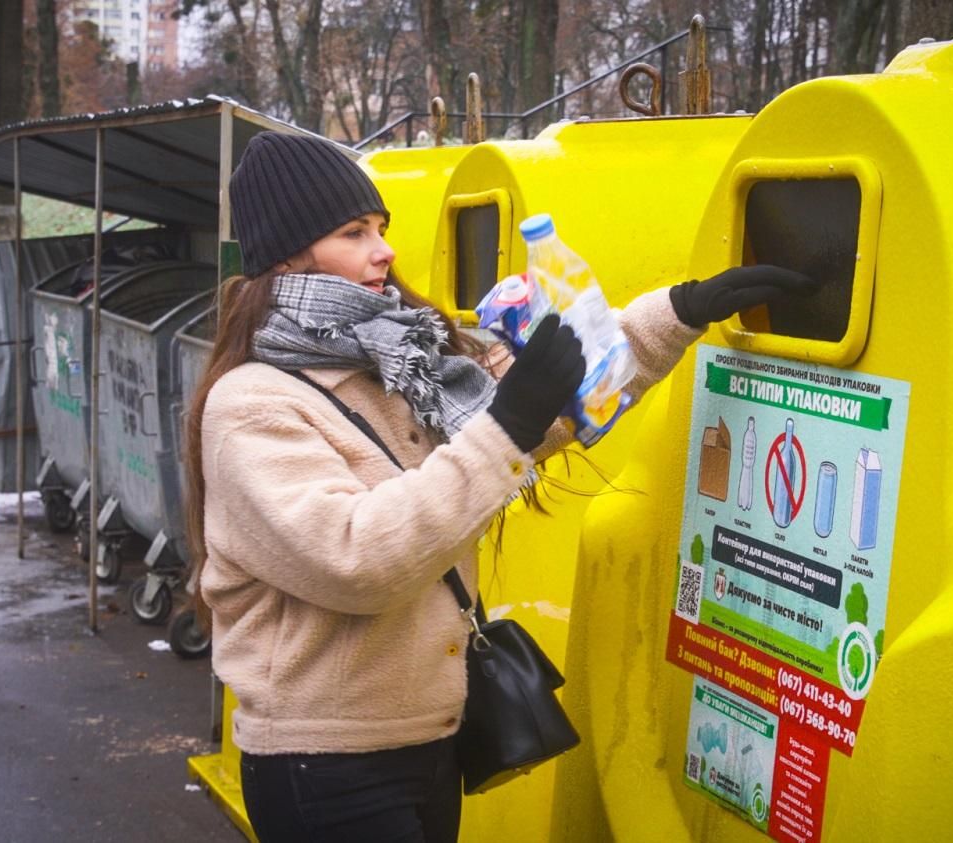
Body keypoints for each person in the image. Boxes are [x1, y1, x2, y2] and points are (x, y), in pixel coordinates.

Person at [182, 131, 810, 843]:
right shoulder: (252, 405)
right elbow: (357, 558)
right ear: (287, 256)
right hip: (322, 767)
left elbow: (553, 407)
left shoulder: (395, 360)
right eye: (354, 233)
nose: (383, 250)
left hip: (431, 740)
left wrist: (680, 311)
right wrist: (508, 422)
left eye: (381, 228)